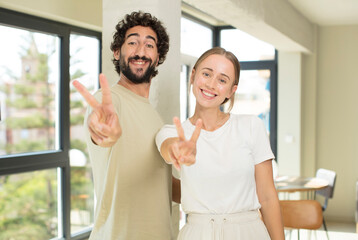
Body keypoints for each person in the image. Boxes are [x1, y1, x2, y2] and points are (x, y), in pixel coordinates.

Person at [156, 47, 285, 239]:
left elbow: (267, 196)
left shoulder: (251, 126)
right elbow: (168, 148)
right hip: (197, 234)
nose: (211, 84)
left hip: (249, 232)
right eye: (206, 74)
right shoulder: (172, 132)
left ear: (232, 90)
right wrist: (178, 149)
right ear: (193, 76)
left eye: (222, 80)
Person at [72, 11, 179, 240]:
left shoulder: (154, 116)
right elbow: (103, 131)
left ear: (158, 56)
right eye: (132, 42)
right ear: (117, 51)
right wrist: (104, 132)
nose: (141, 50)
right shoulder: (109, 101)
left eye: (149, 45)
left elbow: (161, 184)